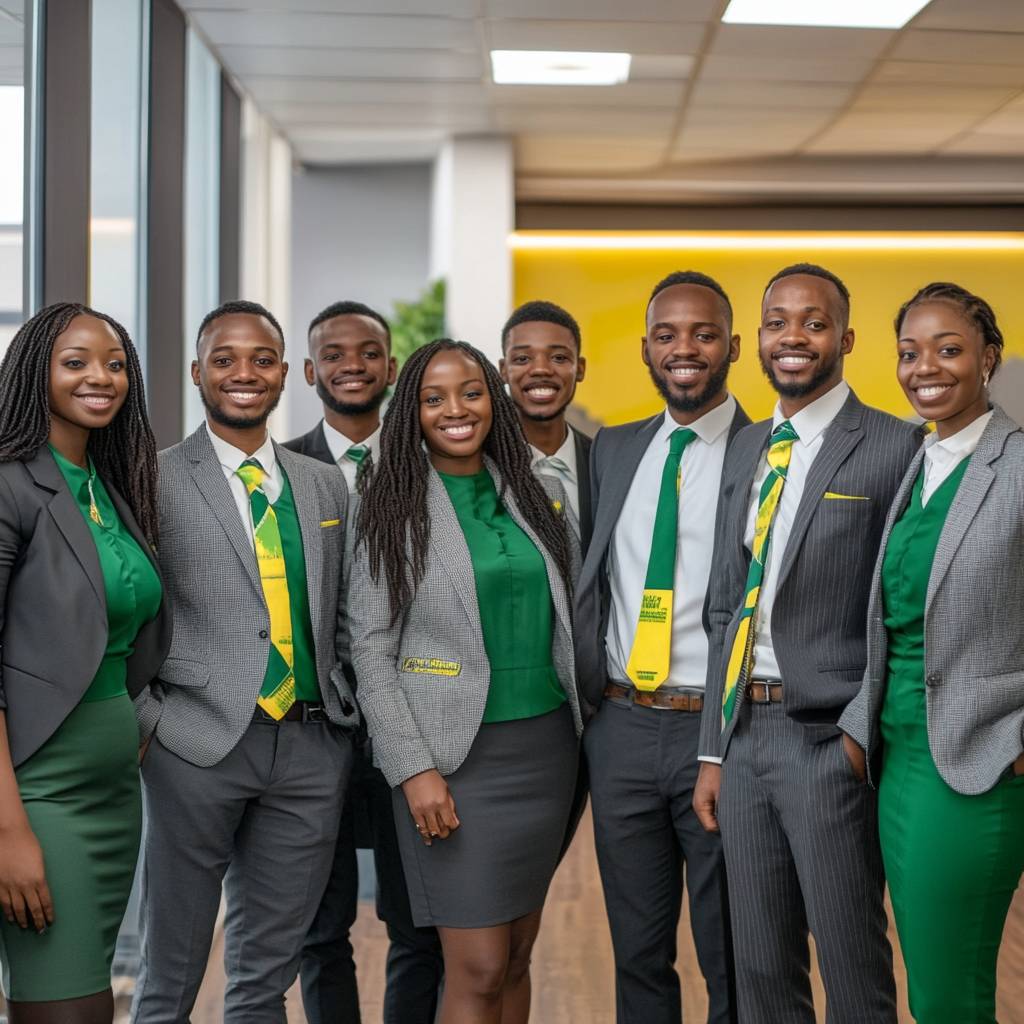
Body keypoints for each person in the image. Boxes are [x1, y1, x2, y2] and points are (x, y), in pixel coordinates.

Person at [694, 264, 921, 1023]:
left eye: (814, 322)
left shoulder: (897, 447)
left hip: (829, 739)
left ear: (846, 339)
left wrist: (859, 735)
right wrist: (713, 749)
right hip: (744, 734)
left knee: (852, 962)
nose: (793, 336)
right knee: (760, 966)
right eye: (778, 322)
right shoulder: (748, 446)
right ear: (756, 341)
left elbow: (904, 609)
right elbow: (725, 605)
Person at [130, 300, 359, 1024]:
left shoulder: (322, 484)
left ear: (287, 374)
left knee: (266, 978)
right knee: (170, 974)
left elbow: (346, 608)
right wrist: (150, 725)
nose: (244, 373)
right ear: (197, 372)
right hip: (194, 746)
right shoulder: (154, 479)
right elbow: (124, 610)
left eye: (262, 359)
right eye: (224, 359)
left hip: (309, 748)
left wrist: (343, 712)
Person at [348, 339, 582, 1024]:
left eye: (472, 391)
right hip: (452, 762)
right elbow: (368, 647)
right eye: (434, 397)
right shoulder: (390, 501)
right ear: (411, 412)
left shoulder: (532, 492)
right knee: (475, 967)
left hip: (545, 751)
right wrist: (413, 769)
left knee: (515, 957)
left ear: (494, 398)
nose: (457, 409)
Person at [840, 283, 1024, 1024]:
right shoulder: (919, 461)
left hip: (978, 757)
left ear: (989, 356)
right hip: (898, 753)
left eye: (948, 350)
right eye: (910, 353)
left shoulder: (1015, 464)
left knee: (951, 994)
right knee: (928, 982)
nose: (926, 368)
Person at [574, 271, 747, 1024]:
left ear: (733, 348)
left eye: (703, 334)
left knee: (731, 945)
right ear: (646, 349)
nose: (685, 350)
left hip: (720, 732)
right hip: (621, 726)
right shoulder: (613, 448)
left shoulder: (768, 450)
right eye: (668, 335)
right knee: (638, 950)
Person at [0, 303, 170, 1024]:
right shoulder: (10, 484)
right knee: (65, 1010)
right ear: (35, 374)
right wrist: (8, 832)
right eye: (75, 363)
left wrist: (140, 727)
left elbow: (129, 635)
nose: (100, 378)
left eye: (114, 364)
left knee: (92, 1004)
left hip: (112, 791)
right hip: (39, 796)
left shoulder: (110, 481)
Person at [284, 300, 444, 1024]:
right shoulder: (280, 471)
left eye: (369, 351)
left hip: (409, 728)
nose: (353, 364)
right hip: (313, 730)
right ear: (312, 370)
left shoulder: (432, 469)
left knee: (419, 926)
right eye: (336, 353)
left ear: (391, 366)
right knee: (320, 929)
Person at [499, 300, 593, 555]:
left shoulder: (608, 464)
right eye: (522, 358)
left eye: (559, 357)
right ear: (504, 370)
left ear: (580, 368)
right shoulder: (480, 464)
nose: (540, 369)